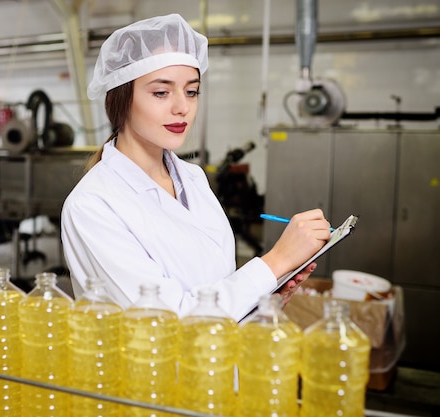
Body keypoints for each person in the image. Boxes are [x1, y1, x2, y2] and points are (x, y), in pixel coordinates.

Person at [60, 13, 331, 321]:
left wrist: (265, 296)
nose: (182, 107)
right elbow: (169, 321)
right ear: (121, 99)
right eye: (161, 92)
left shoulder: (192, 177)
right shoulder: (93, 205)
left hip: (219, 360)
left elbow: (214, 287)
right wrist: (276, 261)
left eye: (191, 91)